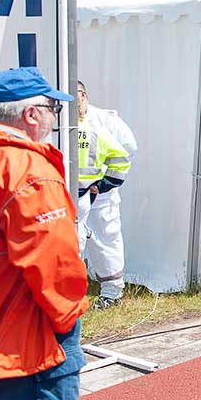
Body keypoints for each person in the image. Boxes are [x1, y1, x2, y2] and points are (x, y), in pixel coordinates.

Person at [0, 68, 88, 400]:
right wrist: (68, 319)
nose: (55, 115)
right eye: (53, 108)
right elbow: (55, 264)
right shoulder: (27, 170)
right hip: (28, 340)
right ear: (31, 115)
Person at [75, 81, 137, 308]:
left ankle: (112, 293)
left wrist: (105, 182)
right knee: (74, 242)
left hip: (100, 195)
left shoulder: (105, 120)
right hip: (73, 194)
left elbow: (128, 149)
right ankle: (73, 292)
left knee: (105, 239)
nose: (75, 102)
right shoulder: (62, 122)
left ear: (85, 95)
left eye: (78, 95)